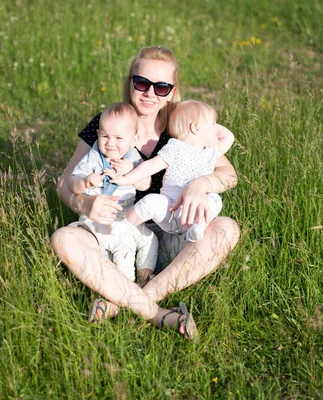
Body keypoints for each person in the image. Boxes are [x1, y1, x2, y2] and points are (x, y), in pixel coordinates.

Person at [51, 45, 240, 340]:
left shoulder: (184, 125)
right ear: (129, 82)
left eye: (161, 87)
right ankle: (156, 314)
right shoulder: (108, 123)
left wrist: (200, 185)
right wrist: (84, 203)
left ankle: (124, 298)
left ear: (173, 90)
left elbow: (229, 175)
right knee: (64, 239)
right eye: (142, 83)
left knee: (226, 229)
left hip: (170, 234)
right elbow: (64, 183)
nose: (150, 93)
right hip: (113, 232)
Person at [109, 100, 234, 283]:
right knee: (151, 201)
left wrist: (208, 121)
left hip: (192, 214)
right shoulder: (175, 147)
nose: (217, 129)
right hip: (170, 210)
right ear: (195, 127)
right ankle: (125, 228)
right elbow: (150, 166)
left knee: (215, 199)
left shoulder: (211, 152)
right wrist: (127, 178)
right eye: (213, 124)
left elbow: (228, 136)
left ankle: (198, 227)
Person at [67, 102, 157, 284]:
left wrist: (131, 172)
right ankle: (125, 287)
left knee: (150, 239)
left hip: (127, 219)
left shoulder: (133, 157)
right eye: (105, 136)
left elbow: (145, 184)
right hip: (100, 221)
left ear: (133, 140)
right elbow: (71, 182)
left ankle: (145, 277)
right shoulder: (94, 157)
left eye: (118, 138)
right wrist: (85, 182)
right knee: (123, 248)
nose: (110, 144)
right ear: (98, 134)